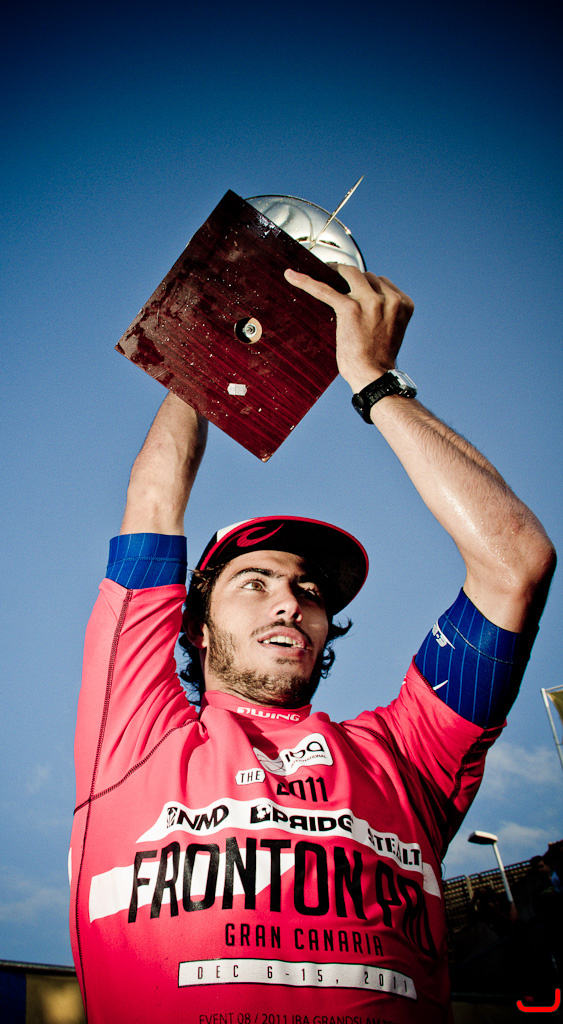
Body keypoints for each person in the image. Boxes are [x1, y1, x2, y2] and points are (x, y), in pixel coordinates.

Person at [69, 264, 555, 1023]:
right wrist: (207, 356)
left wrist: (375, 380)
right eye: (254, 580)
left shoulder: (406, 757)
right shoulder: (133, 731)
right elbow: (155, 501)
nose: (289, 601)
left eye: (310, 590)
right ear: (195, 628)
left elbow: (515, 563)